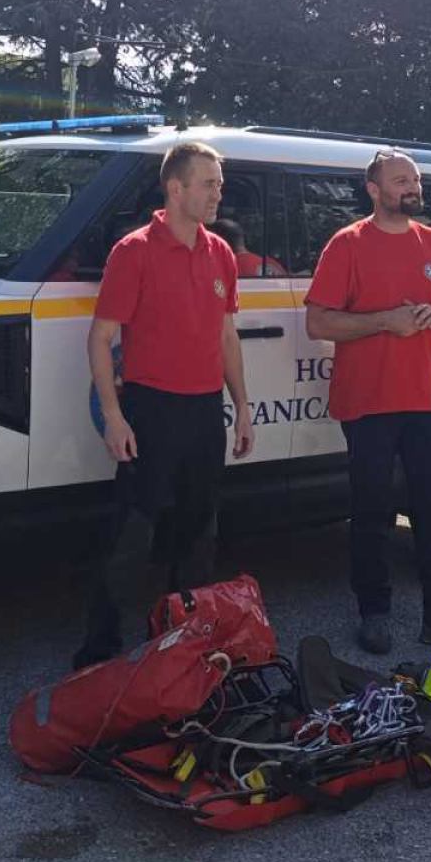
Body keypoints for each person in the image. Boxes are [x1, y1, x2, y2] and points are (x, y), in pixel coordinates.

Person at [305, 149, 431, 655]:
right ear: (374, 189)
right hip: (366, 402)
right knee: (373, 510)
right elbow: (318, 322)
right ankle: (374, 611)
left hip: (424, 400)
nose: (412, 187)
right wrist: (385, 321)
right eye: (401, 180)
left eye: (415, 179)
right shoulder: (347, 244)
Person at [78, 143, 254, 668]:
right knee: (133, 532)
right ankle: (101, 650)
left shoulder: (221, 252)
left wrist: (242, 407)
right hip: (151, 409)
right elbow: (100, 338)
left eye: (220, 183)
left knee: (198, 532)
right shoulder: (134, 251)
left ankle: (185, 644)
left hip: (204, 411)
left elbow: (226, 336)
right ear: (176, 189)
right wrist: (114, 417)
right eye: (209, 184)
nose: (218, 193)